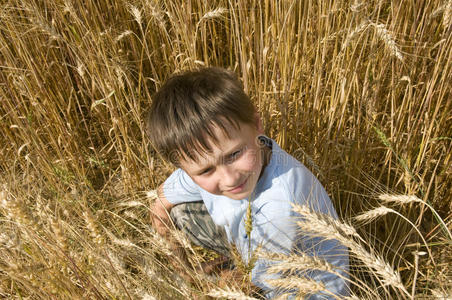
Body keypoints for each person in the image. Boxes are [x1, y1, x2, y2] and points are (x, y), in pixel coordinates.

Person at [145, 67, 349, 299]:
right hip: (260, 251)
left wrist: (206, 286)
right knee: (180, 212)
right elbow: (159, 206)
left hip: (303, 290)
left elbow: (249, 288)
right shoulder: (210, 154)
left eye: (234, 154)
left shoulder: (281, 208)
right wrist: (186, 271)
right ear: (185, 168)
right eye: (206, 170)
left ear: (257, 125)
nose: (230, 178)